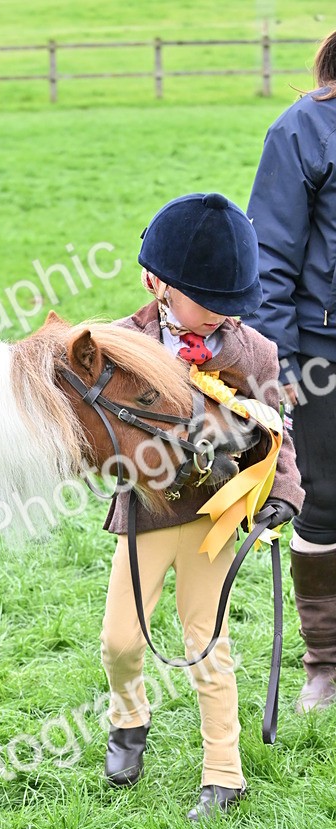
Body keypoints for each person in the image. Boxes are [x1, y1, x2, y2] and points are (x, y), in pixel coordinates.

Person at [100, 193, 304, 821]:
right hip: (149, 511)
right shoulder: (119, 345)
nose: (218, 317)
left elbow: (276, 432)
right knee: (119, 641)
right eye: (206, 303)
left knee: (206, 640)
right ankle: (128, 718)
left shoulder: (255, 355)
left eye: (229, 307)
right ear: (157, 283)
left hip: (216, 513)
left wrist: (282, 494)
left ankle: (224, 771)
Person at [245, 30, 336, 711]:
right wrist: (276, 369)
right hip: (320, 357)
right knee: (325, 503)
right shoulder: (303, 129)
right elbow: (271, 255)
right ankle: (326, 664)